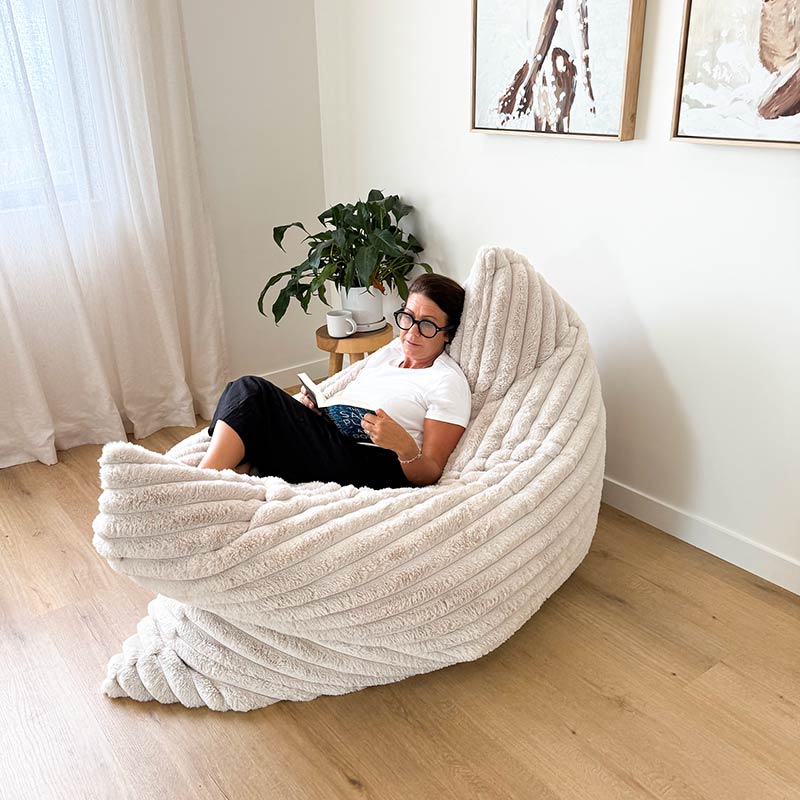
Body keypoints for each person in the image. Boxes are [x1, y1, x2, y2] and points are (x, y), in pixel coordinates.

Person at [197, 274, 471, 489]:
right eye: (408, 317)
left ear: (447, 333)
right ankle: (232, 471)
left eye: (427, 325)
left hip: (374, 463)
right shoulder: (390, 353)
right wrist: (318, 412)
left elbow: (431, 471)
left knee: (252, 391)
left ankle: (202, 483)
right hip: (335, 442)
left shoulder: (446, 382)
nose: (411, 332)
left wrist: (404, 447)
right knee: (243, 395)